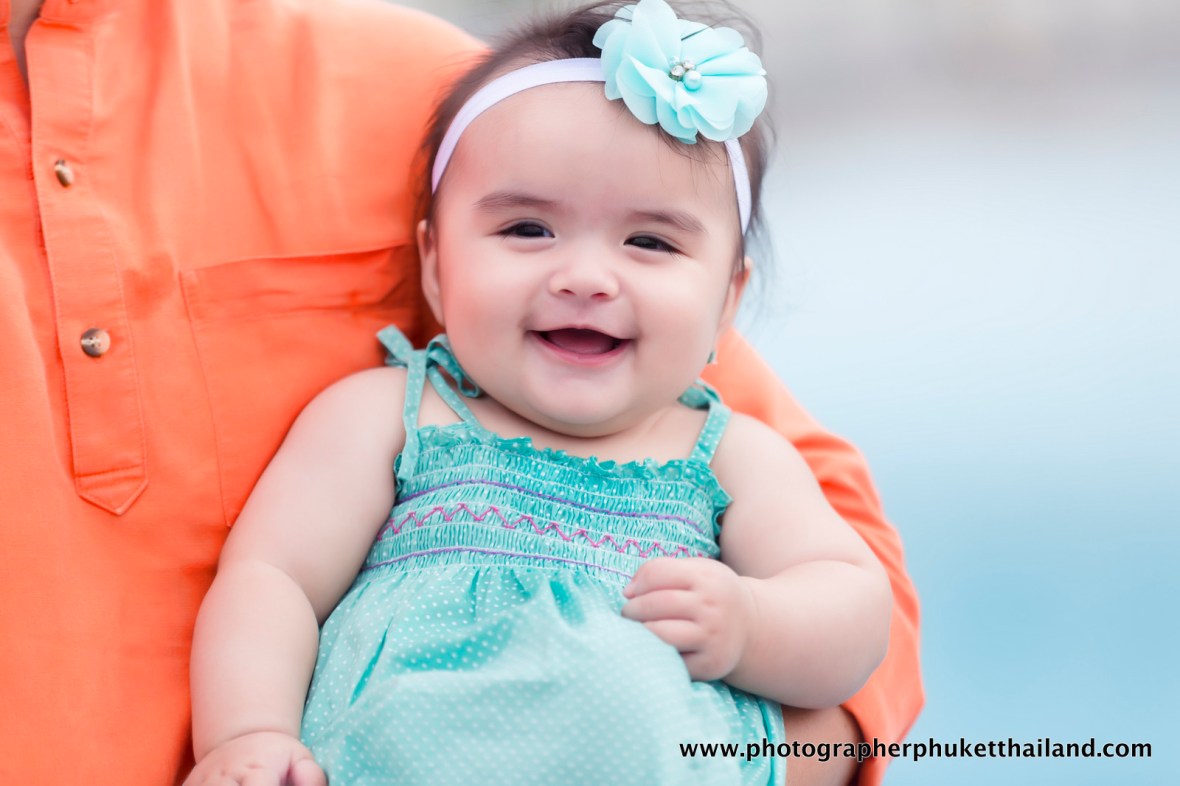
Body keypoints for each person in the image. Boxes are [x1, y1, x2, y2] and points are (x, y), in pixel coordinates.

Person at [0, 0, 921, 784]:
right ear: (434, 268)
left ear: (728, 302)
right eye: (526, 229)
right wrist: (248, 735)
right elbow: (272, 579)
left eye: (650, 243)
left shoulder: (727, 455)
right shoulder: (392, 419)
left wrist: (755, 626)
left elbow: (854, 604)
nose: (587, 276)